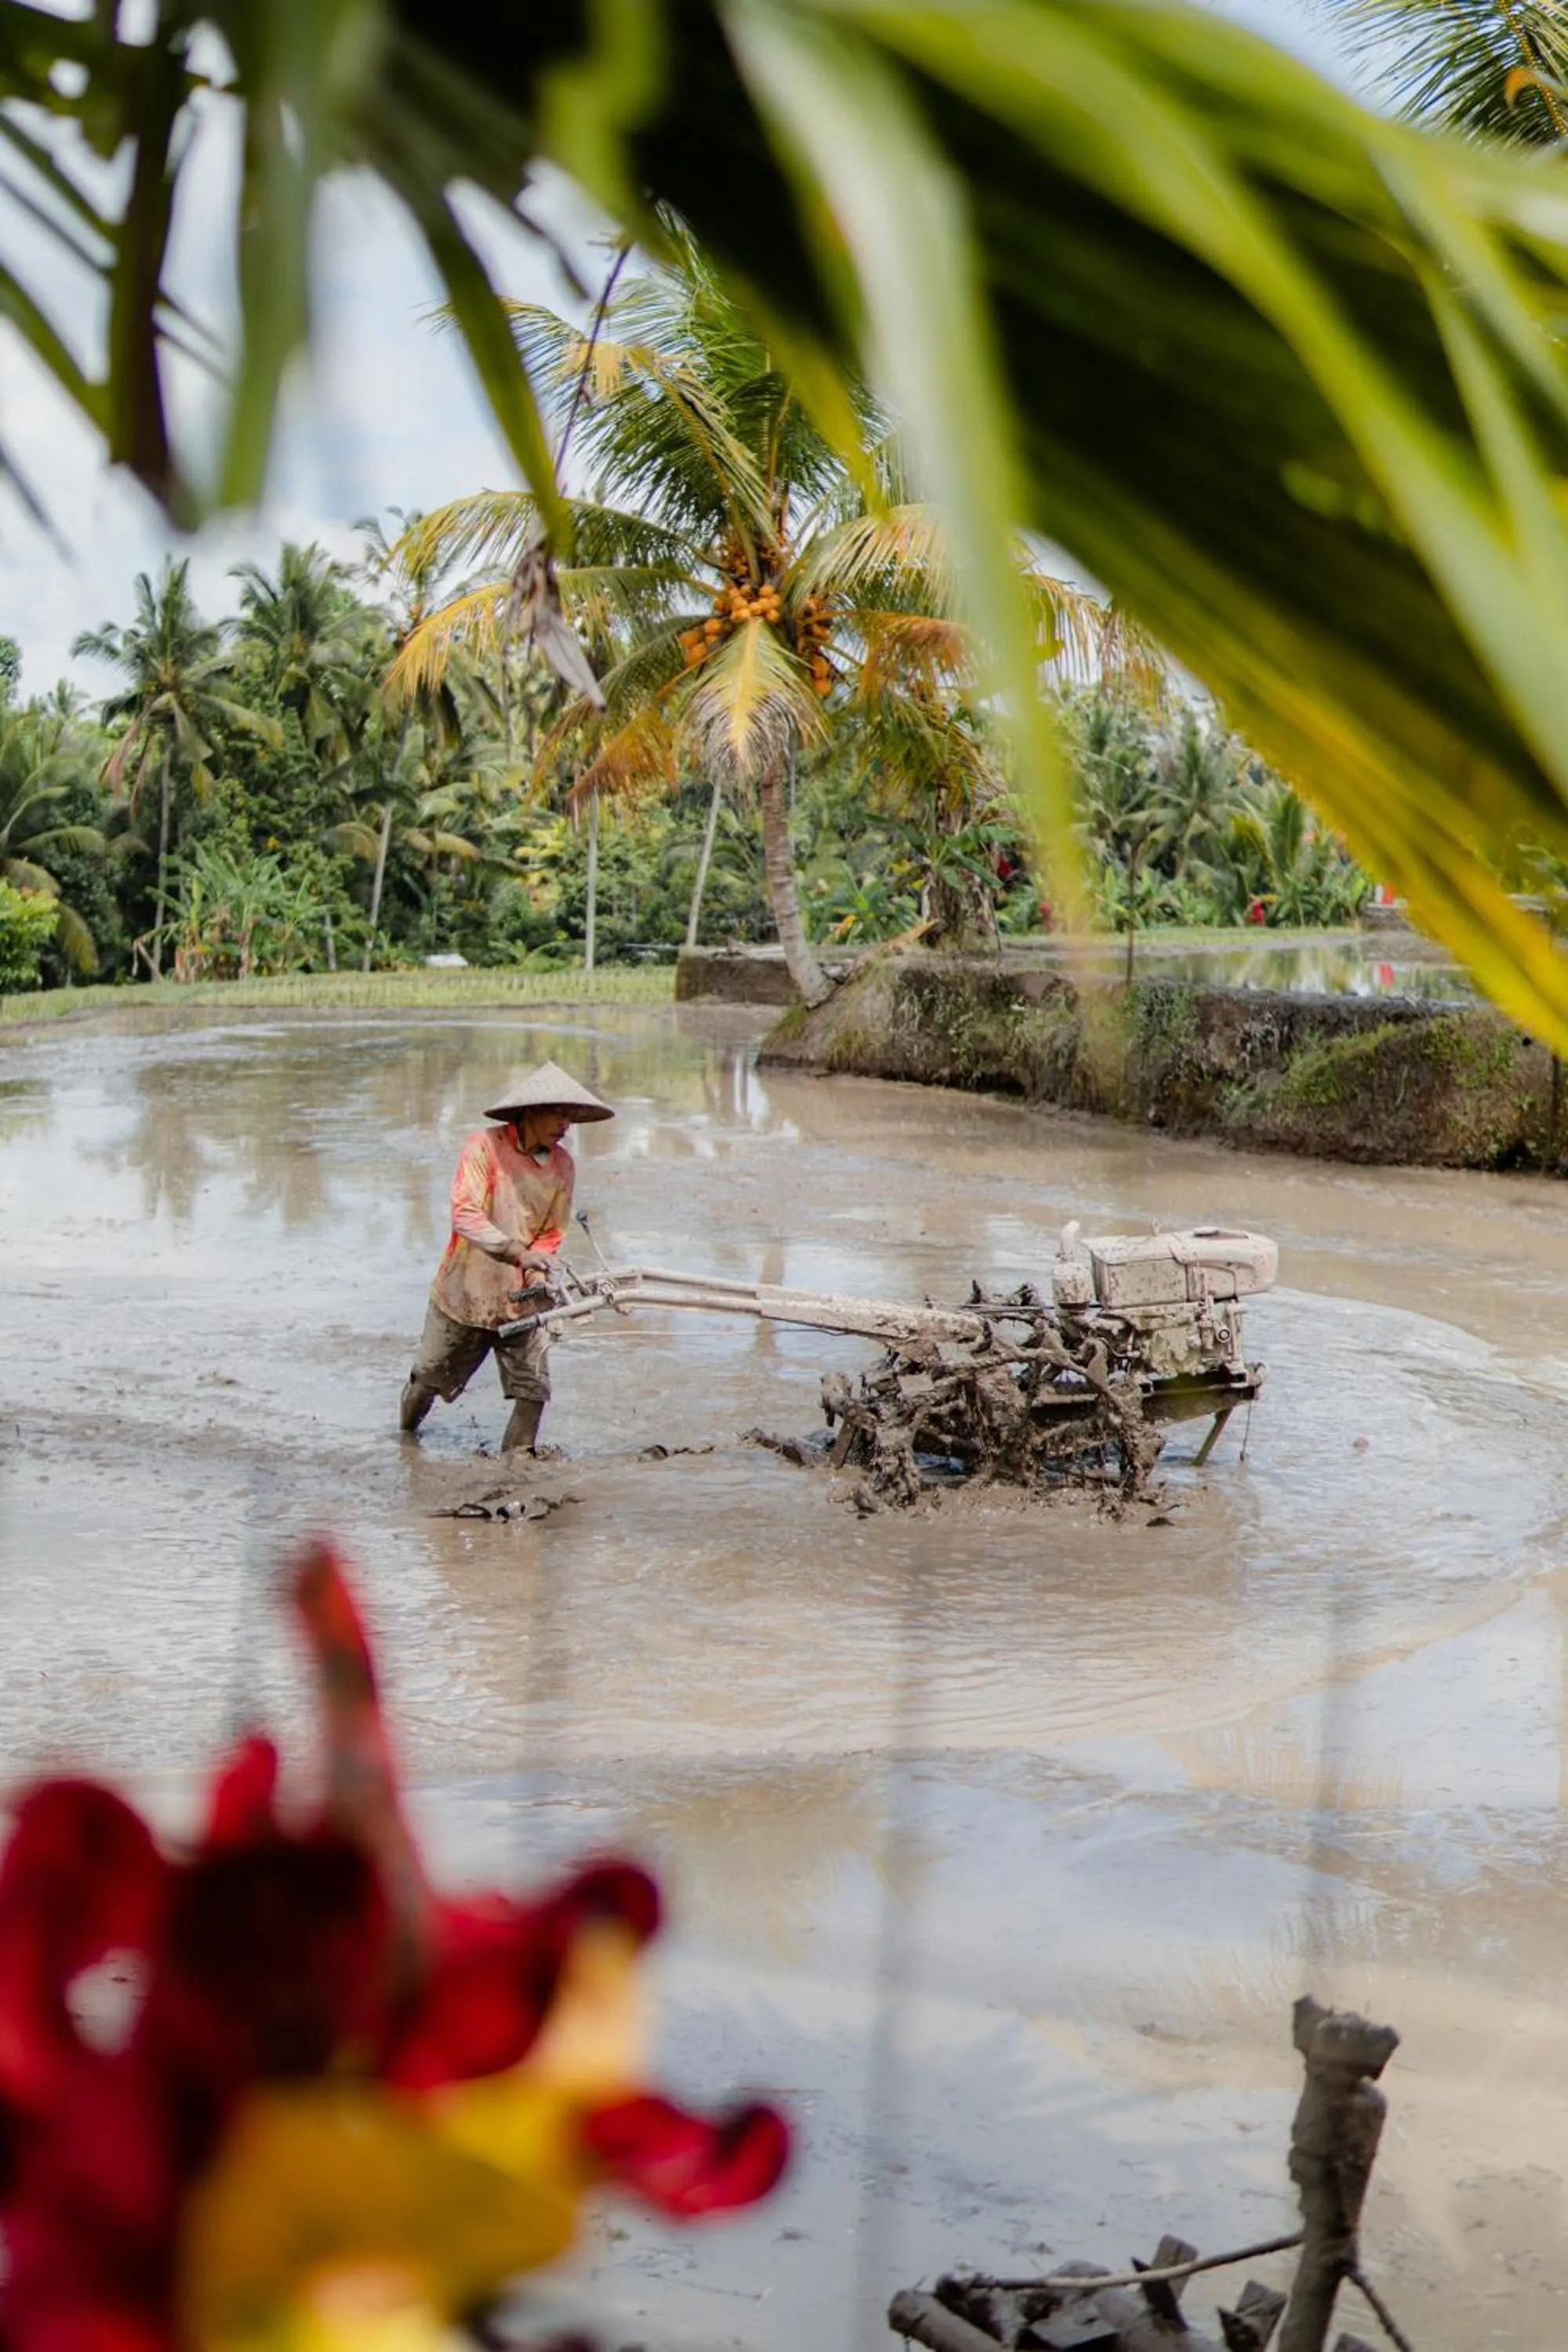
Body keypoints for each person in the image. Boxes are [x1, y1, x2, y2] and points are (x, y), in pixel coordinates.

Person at [399, 1059, 615, 1452]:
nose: (565, 1124)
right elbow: (465, 1213)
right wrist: (516, 1252)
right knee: (428, 1379)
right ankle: (405, 1442)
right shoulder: (484, 1147)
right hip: (465, 1292)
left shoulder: (562, 1165)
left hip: (522, 1300)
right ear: (530, 1112)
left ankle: (517, 1467)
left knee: (533, 1391)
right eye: (558, 1113)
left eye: (569, 1116)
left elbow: (551, 1232)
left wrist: (537, 1273)